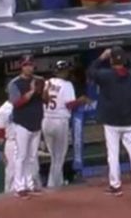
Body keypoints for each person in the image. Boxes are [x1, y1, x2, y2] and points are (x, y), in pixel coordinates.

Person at [88, 46, 131, 196]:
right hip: (129, 120)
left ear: (111, 60)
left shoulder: (105, 75)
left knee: (113, 154)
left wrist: (101, 58)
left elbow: (90, 71)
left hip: (111, 121)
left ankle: (116, 186)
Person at [7, 55, 46, 198]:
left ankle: (30, 184)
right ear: (21, 66)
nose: (28, 67)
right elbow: (15, 103)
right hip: (22, 123)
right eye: (25, 65)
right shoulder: (15, 83)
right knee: (21, 156)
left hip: (36, 122)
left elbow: (45, 99)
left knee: (32, 156)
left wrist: (43, 91)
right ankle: (19, 187)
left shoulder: (39, 80)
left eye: (30, 64)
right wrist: (31, 91)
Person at [42, 60, 82, 189]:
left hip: (46, 121)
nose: (66, 73)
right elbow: (69, 105)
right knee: (58, 156)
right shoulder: (67, 84)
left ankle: (55, 183)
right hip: (59, 121)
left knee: (54, 156)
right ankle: (53, 185)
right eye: (65, 70)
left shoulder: (47, 83)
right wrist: (82, 101)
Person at [0, 100, 16, 193]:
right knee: (11, 172)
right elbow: (0, 132)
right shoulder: (4, 109)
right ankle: (9, 197)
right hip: (12, 141)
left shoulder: (26, 104)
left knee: (31, 172)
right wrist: (0, 149)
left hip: (25, 141)